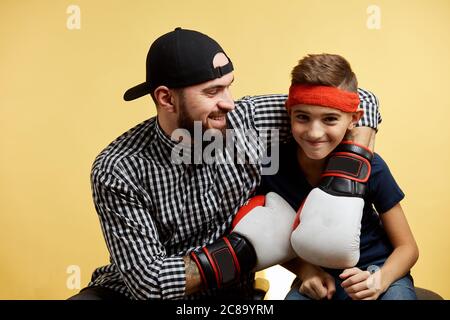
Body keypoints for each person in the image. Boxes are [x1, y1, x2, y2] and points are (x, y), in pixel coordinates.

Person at [69, 28, 381, 300]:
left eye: (229, 86)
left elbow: (362, 100)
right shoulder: (119, 167)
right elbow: (150, 284)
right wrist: (245, 250)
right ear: (166, 99)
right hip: (127, 295)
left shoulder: (252, 121)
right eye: (213, 91)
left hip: (228, 296)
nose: (229, 102)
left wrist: (345, 178)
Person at [258, 53, 419, 300]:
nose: (314, 132)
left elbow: (408, 248)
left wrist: (380, 280)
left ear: (354, 119)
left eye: (330, 119)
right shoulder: (272, 165)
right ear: (288, 113)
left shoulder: (370, 166)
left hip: (377, 270)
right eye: (302, 117)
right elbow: (271, 238)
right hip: (317, 276)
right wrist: (305, 270)